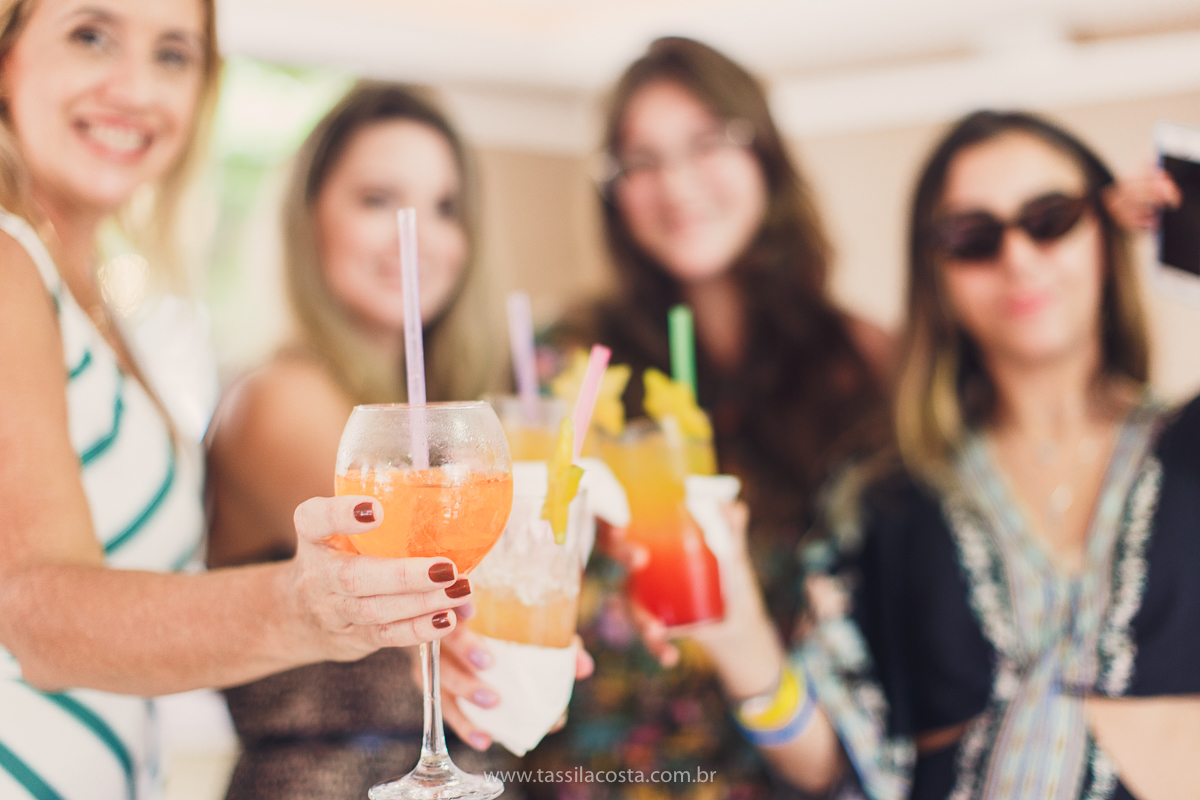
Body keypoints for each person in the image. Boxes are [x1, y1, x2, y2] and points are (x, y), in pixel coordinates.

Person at [0, 4, 471, 799]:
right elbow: (33, 614)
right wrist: (301, 608)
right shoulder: (9, 264)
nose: (136, 88)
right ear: (6, 59)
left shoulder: (101, 309)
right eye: (91, 35)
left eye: (174, 55)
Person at [659, 110, 1200, 800]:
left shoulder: (1191, 449)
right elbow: (832, 763)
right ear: (934, 272)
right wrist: (739, 636)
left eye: (1051, 218)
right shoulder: (886, 495)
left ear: (1107, 230)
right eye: (972, 237)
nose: (1018, 259)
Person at [441, 36, 894, 798]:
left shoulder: (863, 367)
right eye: (640, 160)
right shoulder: (564, 369)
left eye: (706, 142)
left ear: (765, 155)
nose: (675, 184)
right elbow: (498, 563)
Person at [205, 82, 526, 799]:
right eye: (378, 199)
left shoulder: (440, 420)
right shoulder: (279, 400)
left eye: (445, 208)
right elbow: (434, 570)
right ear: (310, 217)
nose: (417, 235)